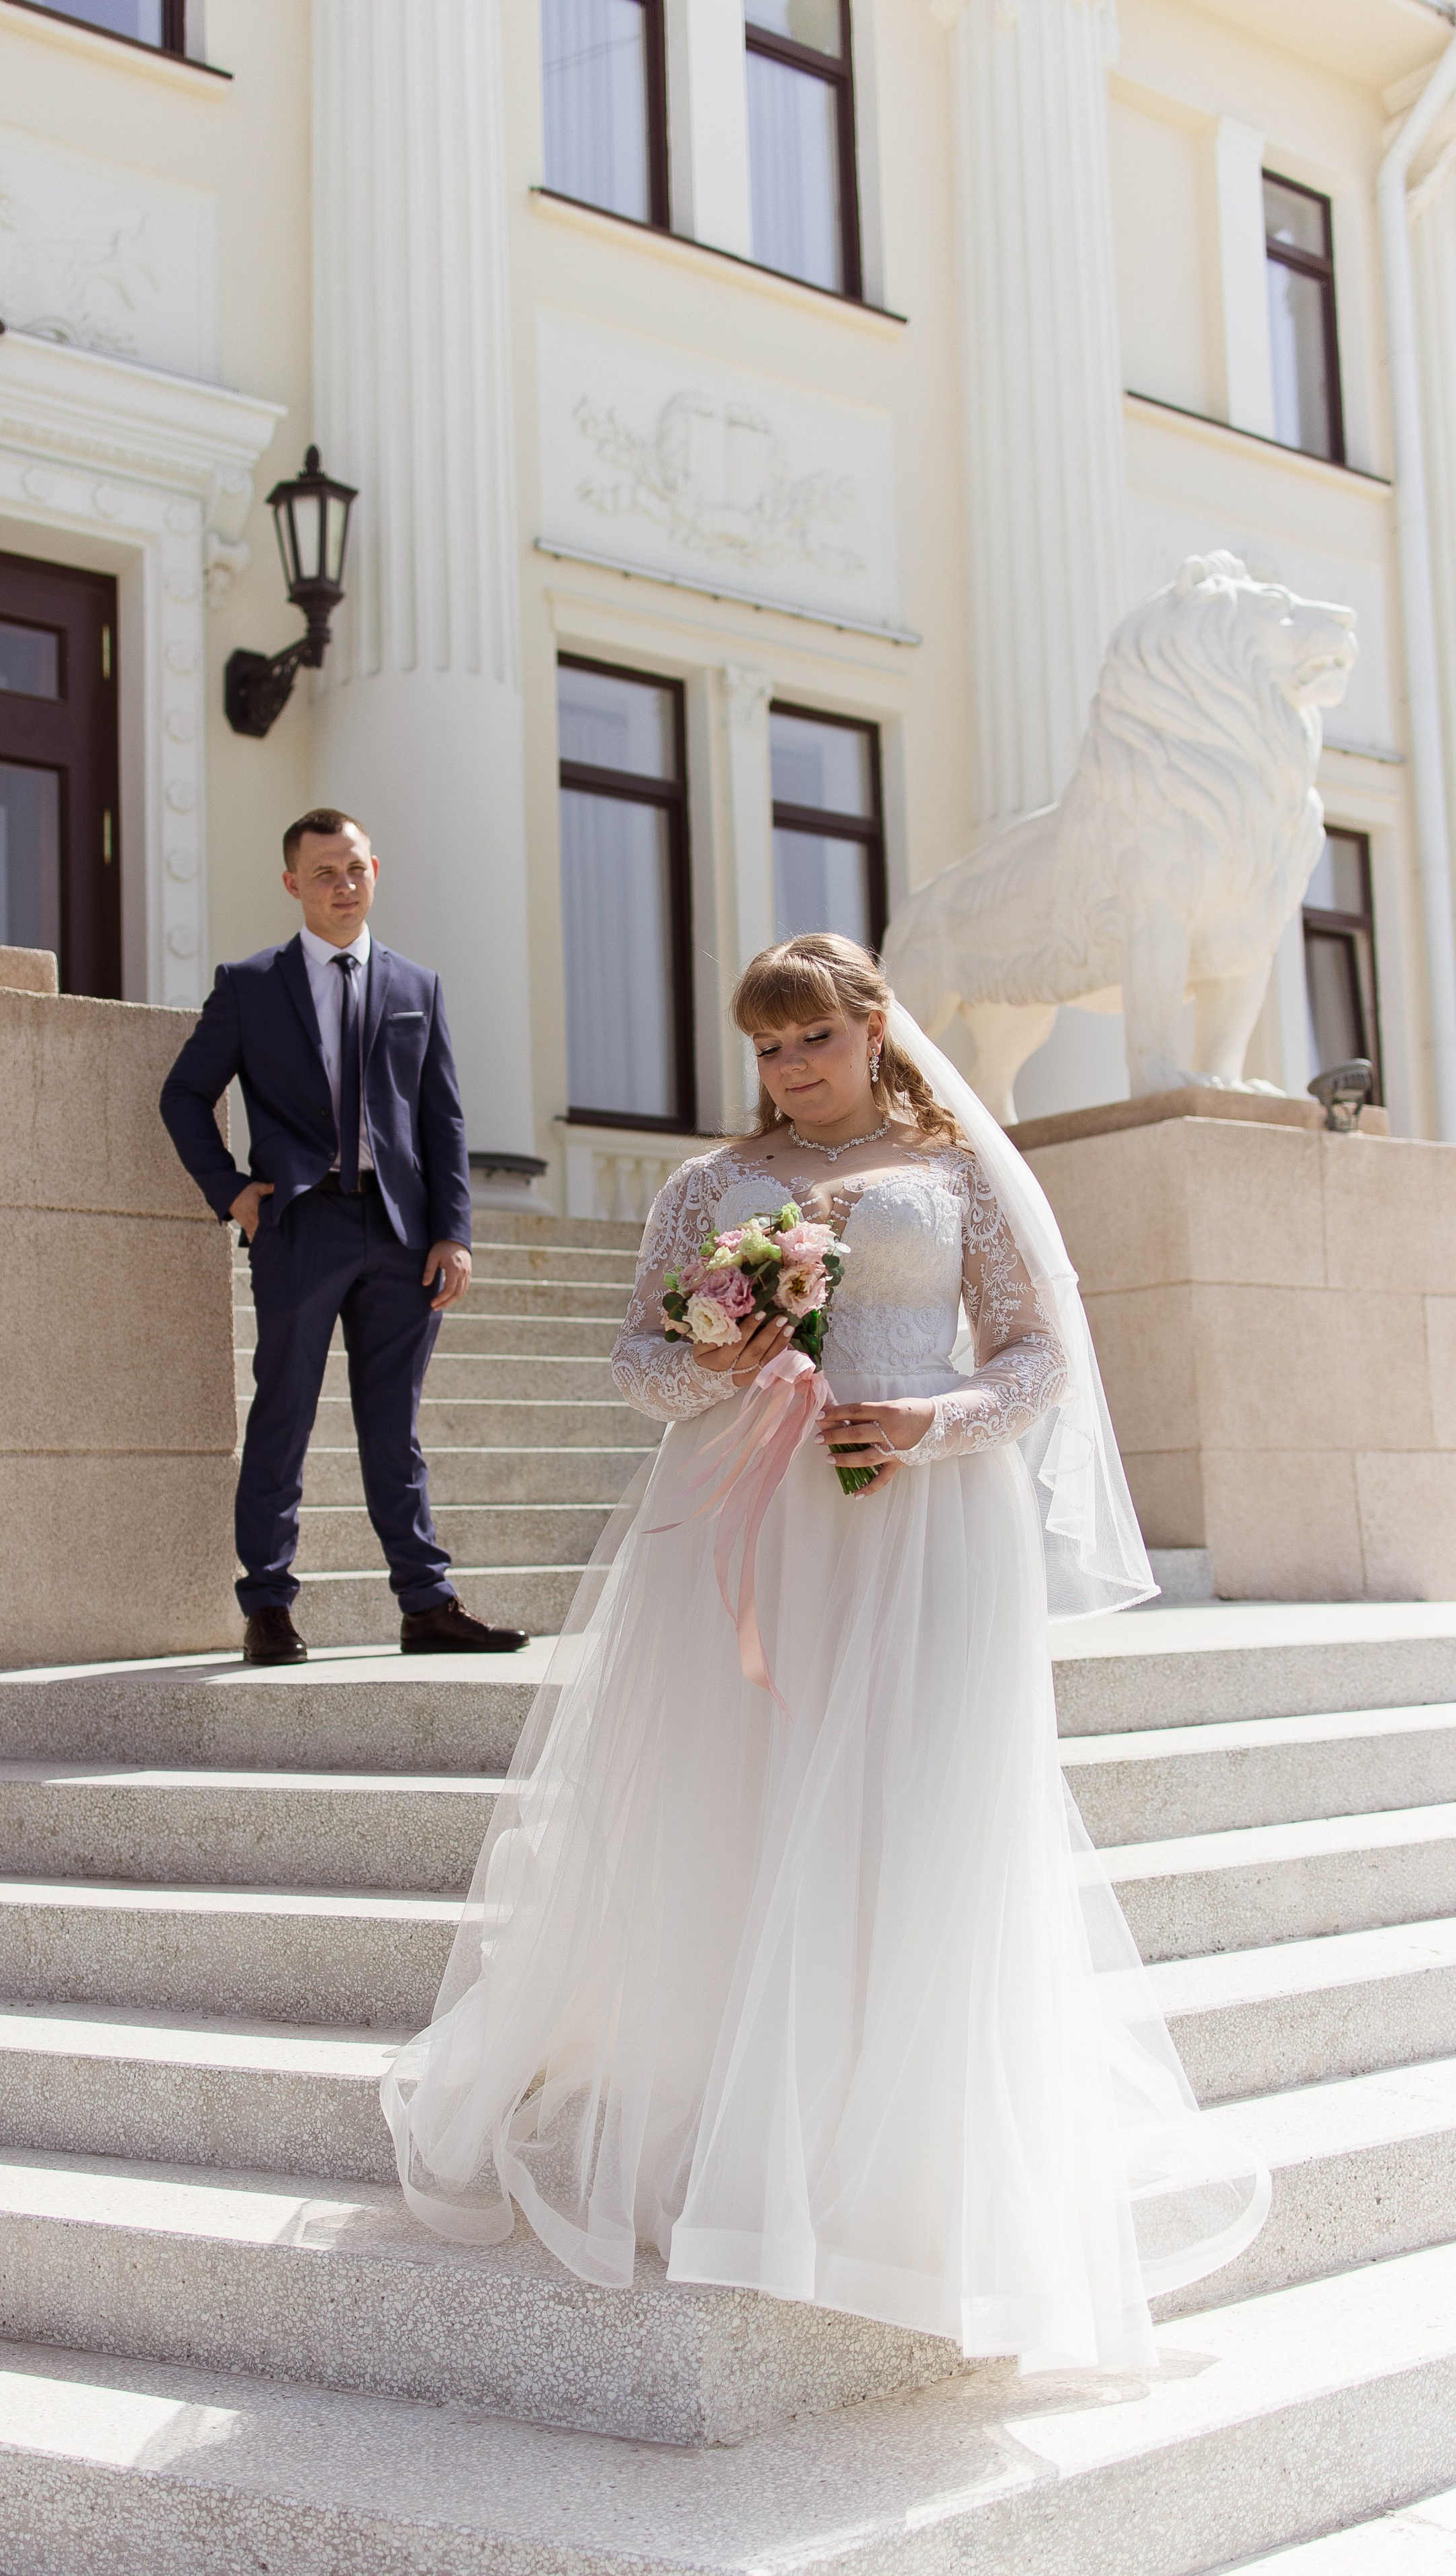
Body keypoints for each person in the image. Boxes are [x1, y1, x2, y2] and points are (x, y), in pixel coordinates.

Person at [383, 933, 1267, 2375]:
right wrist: (721, 1360)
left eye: (811, 1041)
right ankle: (737, 2130)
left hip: (925, 1527)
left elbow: (1039, 1351)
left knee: (916, 1815)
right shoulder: (704, 1186)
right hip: (750, 1523)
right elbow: (636, 1366)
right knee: (744, 1806)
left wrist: (941, 1420)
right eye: (766, 1049)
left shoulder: (959, 1173)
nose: (788, 1072)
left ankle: (906, 2154)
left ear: (872, 1030)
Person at [160, 807, 528, 1665]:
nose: (343, 885)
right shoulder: (250, 985)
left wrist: (454, 1232)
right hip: (301, 1224)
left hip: (403, 1235)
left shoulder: (417, 987)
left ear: (375, 871)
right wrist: (232, 1193)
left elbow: (443, 1119)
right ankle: (269, 1608)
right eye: (324, 872)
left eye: (355, 868)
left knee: (392, 1428)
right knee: (283, 1416)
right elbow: (183, 1095)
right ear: (293, 883)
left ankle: (427, 1604)